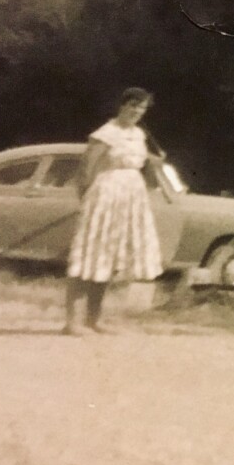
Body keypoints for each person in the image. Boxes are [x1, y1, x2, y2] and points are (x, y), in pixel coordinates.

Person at [64, 87, 163, 334]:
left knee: (107, 257)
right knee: (90, 255)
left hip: (131, 197)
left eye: (141, 108)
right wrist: (87, 197)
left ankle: (92, 319)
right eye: (132, 106)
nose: (136, 112)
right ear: (122, 106)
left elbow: (143, 164)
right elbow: (87, 168)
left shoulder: (139, 134)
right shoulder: (105, 133)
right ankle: (72, 322)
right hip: (106, 194)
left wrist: (154, 161)